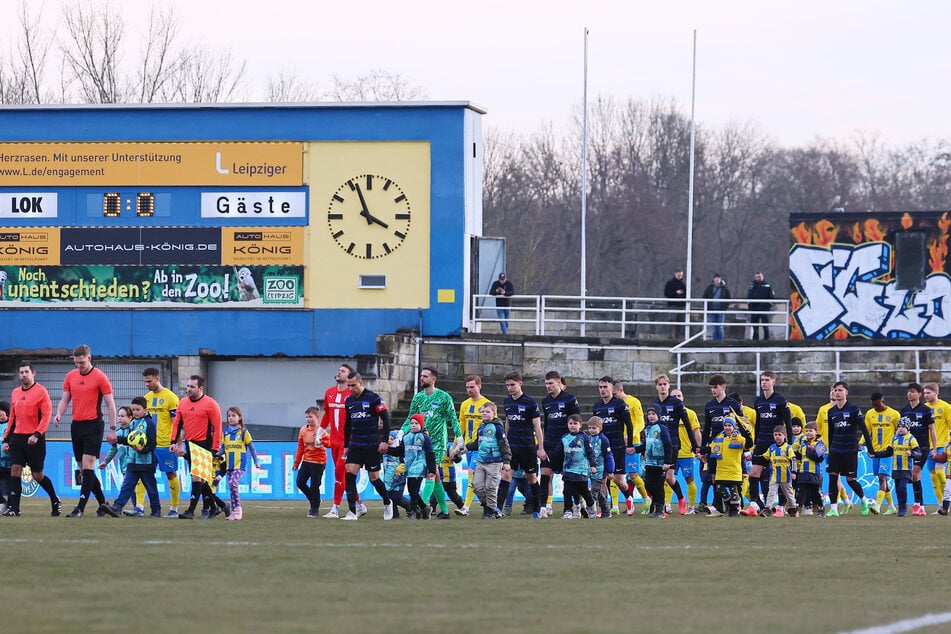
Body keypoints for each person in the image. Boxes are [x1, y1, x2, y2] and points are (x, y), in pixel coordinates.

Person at [55, 345, 116, 519]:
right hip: (77, 426)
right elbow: (65, 399)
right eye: (76, 363)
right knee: (83, 469)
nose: (79, 366)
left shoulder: (100, 377)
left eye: (82, 362)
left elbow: (110, 404)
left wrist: (112, 429)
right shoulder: (70, 376)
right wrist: (59, 414)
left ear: (89, 358)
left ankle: (79, 508)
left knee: (89, 465)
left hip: (94, 425)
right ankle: (104, 502)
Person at [399, 367, 463, 520]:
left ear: (433, 379)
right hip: (420, 443)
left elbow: (453, 419)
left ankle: (418, 508)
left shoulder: (443, 397)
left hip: (438, 443)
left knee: (431, 473)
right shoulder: (418, 398)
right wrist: (402, 432)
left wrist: (459, 437)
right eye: (421, 375)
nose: (421, 378)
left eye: (425, 376)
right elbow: (410, 418)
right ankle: (445, 511)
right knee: (436, 477)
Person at [2, 363, 61, 517]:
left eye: (26, 372)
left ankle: (55, 500)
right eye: (21, 372)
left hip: (35, 439)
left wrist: (37, 434)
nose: (23, 375)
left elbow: (47, 415)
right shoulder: (15, 392)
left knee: (37, 475)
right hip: (18, 439)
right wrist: (6, 439)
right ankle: (14, 508)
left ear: (33, 373)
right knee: (15, 471)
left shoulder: (41, 392)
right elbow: (12, 418)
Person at [342, 372, 394, 521]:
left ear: (361, 383)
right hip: (355, 445)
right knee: (349, 475)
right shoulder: (349, 401)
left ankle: (387, 502)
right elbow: (348, 425)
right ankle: (352, 512)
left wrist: (384, 440)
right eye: (349, 385)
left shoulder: (374, 398)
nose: (351, 388)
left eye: (353, 385)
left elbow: (386, 419)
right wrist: (346, 445)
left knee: (374, 478)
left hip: (372, 444)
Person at [170, 375, 223, 520]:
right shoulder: (183, 403)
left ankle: (190, 511)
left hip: (205, 444)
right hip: (190, 443)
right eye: (187, 386)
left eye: (192, 387)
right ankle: (217, 507)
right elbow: (177, 424)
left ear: (200, 388)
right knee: (202, 481)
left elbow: (217, 428)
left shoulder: (211, 404)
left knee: (196, 477)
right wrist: (173, 442)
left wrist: (214, 448)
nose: (188, 389)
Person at [495, 371, 546, 519]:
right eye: (507, 385)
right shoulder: (507, 401)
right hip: (512, 447)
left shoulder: (530, 402)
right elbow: (508, 422)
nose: (510, 388)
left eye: (512, 385)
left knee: (531, 478)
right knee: (506, 475)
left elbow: (537, 426)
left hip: (527, 447)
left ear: (520, 383)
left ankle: (536, 510)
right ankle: (498, 509)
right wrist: (504, 442)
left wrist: (540, 448)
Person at [100, 401, 162, 519]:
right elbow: (129, 439)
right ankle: (117, 507)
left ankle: (156, 510)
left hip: (146, 463)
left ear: (145, 409)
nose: (135, 412)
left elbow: (153, 443)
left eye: (138, 410)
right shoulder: (133, 423)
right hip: (132, 462)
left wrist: (142, 449)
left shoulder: (149, 423)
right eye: (133, 410)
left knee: (151, 488)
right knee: (127, 486)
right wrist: (117, 439)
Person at [320, 363, 366, 519]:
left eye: (343, 371)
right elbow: (326, 414)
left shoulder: (352, 395)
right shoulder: (329, 393)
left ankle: (335, 508)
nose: (339, 372)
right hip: (334, 442)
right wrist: (320, 432)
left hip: (349, 443)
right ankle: (359, 505)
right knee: (343, 475)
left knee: (340, 472)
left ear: (349, 377)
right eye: (339, 370)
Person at [824, 381, 875, 517]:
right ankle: (833, 509)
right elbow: (830, 433)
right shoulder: (831, 412)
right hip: (835, 450)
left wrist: (870, 449)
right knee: (832, 478)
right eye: (835, 390)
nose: (837, 392)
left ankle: (864, 501)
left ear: (846, 392)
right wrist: (830, 450)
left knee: (850, 480)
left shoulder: (853, 409)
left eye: (840, 390)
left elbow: (864, 429)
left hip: (850, 450)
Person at [746, 371, 792, 515]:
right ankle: (754, 505)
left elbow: (788, 424)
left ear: (773, 382)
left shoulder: (781, 401)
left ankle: (780, 508)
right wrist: (755, 442)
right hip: (761, 442)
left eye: (767, 380)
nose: (764, 382)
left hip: (777, 444)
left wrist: (788, 444)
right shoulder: (758, 401)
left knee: (780, 476)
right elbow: (758, 423)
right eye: (762, 380)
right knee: (754, 473)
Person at [137, 367, 181, 518]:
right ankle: (139, 507)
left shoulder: (171, 397)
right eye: (145, 382)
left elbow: (176, 423)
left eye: (149, 381)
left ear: (157, 378)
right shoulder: (146, 398)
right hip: (149, 444)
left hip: (165, 444)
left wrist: (178, 444)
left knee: (171, 474)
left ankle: (174, 509)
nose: (147, 384)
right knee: (142, 473)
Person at [650, 375, 696, 514]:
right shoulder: (654, 405)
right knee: (659, 479)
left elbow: (687, 425)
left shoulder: (676, 403)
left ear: (669, 386)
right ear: (656, 386)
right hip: (658, 446)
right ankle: (661, 506)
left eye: (665, 384)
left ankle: (681, 499)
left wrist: (694, 445)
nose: (662, 386)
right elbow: (650, 426)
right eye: (660, 384)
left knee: (668, 477)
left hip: (673, 445)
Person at [539, 370, 581, 518]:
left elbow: (577, 421)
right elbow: (546, 423)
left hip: (567, 446)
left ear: (559, 383)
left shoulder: (570, 399)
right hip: (550, 444)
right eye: (546, 384)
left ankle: (574, 506)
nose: (548, 386)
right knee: (545, 474)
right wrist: (542, 446)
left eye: (551, 383)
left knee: (569, 479)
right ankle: (544, 507)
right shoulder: (546, 401)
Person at [593, 376, 637, 515]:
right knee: (602, 478)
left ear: (612, 388)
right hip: (602, 448)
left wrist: (629, 444)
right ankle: (604, 508)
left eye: (605, 387)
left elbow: (629, 425)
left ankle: (628, 497)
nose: (602, 390)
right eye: (600, 387)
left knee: (617, 479)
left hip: (617, 446)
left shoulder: (620, 404)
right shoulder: (597, 407)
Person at [701, 375, 743, 511]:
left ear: (723, 387)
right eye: (711, 387)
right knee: (715, 477)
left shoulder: (733, 405)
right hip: (716, 447)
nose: (713, 390)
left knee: (734, 480)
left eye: (715, 387)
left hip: (731, 448)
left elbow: (742, 425)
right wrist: (703, 449)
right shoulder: (709, 406)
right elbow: (707, 429)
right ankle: (718, 507)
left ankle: (737, 506)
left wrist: (745, 445)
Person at [465, 402, 511, 519]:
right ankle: (490, 508)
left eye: (488, 411)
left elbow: (504, 445)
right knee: (476, 486)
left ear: (494, 413)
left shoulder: (498, 427)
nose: (484, 413)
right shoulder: (481, 427)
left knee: (490, 487)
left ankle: (489, 512)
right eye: (483, 412)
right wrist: (464, 448)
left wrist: (506, 461)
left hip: (494, 462)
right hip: (481, 461)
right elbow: (477, 443)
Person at [546, 414, 597, 519]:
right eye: (570, 423)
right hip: (568, 470)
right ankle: (568, 511)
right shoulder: (565, 438)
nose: (572, 426)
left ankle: (591, 505)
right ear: (567, 425)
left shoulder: (584, 438)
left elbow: (590, 452)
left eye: (575, 423)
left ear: (580, 425)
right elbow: (558, 452)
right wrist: (547, 456)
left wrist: (592, 465)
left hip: (581, 470)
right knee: (567, 491)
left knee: (584, 491)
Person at [612, 380, 649, 515]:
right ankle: (615, 505)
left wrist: (631, 435)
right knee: (613, 474)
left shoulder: (634, 402)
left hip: (632, 443)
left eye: (615, 394)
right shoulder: (613, 404)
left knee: (633, 475)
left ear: (621, 390)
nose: (613, 396)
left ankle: (646, 499)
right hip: (617, 443)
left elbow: (640, 423)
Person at [899, 382, 936, 516]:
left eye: (913, 391)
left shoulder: (925, 410)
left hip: (922, 447)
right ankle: (920, 506)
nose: (910, 393)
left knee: (915, 472)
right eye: (908, 391)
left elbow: (932, 430)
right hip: (907, 448)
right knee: (913, 476)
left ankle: (916, 505)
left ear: (919, 394)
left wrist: (934, 448)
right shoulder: (904, 410)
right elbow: (901, 430)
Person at [390, 414, 436, 520]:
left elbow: (430, 454)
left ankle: (413, 512)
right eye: (412, 423)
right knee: (412, 491)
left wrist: (432, 469)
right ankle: (425, 508)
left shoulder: (425, 438)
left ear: (421, 424)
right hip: (409, 468)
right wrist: (387, 449)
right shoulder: (406, 437)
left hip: (419, 467)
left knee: (413, 489)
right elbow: (399, 451)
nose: (413, 425)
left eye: (416, 423)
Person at [704, 416, 752, 517]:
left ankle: (734, 510)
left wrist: (746, 433)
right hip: (721, 470)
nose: (727, 427)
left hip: (734, 469)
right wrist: (700, 449)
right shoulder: (718, 438)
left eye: (729, 425)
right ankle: (731, 505)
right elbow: (711, 449)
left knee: (734, 489)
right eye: (725, 425)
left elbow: (749, 444)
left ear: (734, 427)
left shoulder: (739, 438)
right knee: (719, 487)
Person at [458, 375, 491, 516]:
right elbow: (461, 426)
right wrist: (456, 445)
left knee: (471, 474)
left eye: (472, 387)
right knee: (478, 481)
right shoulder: (465, 404)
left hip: (481, 447)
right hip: (468, 447)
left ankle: (466, 507)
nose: (469, 390)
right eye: (467, 387)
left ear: (479, 386)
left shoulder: (487, 404)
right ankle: (489, 505)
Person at [219, 406, 260, 521]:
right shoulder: (225, 432)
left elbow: (251, 448)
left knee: (233, 483)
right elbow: (223, 448)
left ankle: (237, 509)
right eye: (229, 416)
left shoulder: (243, 432)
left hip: (239, 464)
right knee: (232, 487)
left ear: (240, 417)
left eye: (233, 416)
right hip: (229, 465)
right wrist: (216, 455)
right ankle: (234, 511)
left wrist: (256, 461)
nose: (231, 418)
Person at [865, 392, 900, 514]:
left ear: (882, 400)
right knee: (882, 479)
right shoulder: (870, 414)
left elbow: (899, 432)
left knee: (882, 477)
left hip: (888, 451)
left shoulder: (894, 414)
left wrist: (894, 446)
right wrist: (860, 443)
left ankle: (877, 505)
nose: (876, 408)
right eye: (874, 405)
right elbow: (867, 431)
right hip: (875, 451)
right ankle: (891, 506)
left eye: (878, 405)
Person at [879, 417, 921, 517]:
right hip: (896, 469)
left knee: (902, 488)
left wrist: (911, 453)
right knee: (898, 490)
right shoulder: (894, 438)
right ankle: (900, 507)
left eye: (903, 426)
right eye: (899, 426)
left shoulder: (911, 438)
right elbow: (888, 452)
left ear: (908, 428)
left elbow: (918, 453)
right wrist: (876, 454)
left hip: (906, 469)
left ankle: (903, 508)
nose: (901, 428)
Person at [294, 406, 331, 518]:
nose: (308, 419)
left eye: (310, 417)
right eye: (306, 417)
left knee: (315, 485)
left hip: (319, 462)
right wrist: (297, 462)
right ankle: (315, 500)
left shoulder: (321, 431)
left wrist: (322, 441)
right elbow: (300, 447)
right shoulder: (303, 430)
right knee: (300, 482)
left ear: (317, 417)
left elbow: (330, 444)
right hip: (307, 461)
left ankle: (314, 509)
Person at [754, 426, 799, 517]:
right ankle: (768, 509)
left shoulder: (788, 448)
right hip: (774, 476)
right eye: (775, 435)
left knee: (789, 494)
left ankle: (793, 508)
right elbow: (764, 457)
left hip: (785, 476)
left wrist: (794, 472)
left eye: (779, 435)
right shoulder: (771, 448)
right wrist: (754, 457)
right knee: (771, 492)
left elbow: (793, 460)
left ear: (785, 436)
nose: (777, 437)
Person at [669, 388, 701, 515]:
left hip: (686, 453)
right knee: (668, 478)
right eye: (674, 396)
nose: (676, 398)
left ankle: (692, 507)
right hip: (670, 452)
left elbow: (696, 432)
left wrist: (697, 449)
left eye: (679, 395)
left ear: (683, 398)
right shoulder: (667, 413)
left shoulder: (690, 413)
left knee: (690, 479)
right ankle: (667, 505)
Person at [922, 383, 950, 513]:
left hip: (942, 445)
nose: (925, 395)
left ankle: (947, 502)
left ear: (936, 393)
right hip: (928, 446)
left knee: (940, 472)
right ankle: (941, 505)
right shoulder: (924, 408)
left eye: (928, 393)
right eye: (924, 393)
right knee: (933, 476)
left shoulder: (945, 407)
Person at [641, 406, 673, 518]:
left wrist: (667, 462)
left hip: (660, 464)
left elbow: (668, 445)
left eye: (653, 414)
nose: (651, 416)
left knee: (659, 486)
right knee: (648, 486)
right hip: (649, 463)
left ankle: (660, 509)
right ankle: (658, 504)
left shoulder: (662, 428)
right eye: (649, 414)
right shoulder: (647, 429)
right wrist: (635, 449)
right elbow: (646, 445)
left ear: (658, 415)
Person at [792, 422, 826, 516]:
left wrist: (809, 451)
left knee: (816, 492)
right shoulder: (803, 443)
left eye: (810, 431)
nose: (808, 433)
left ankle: (821, 509)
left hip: (815, 472)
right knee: (801, 492)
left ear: (816, 432)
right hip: (803, 471)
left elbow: (819, 458)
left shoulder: (820, 443)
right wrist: (792, 453)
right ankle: (797, 509)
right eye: (806, 431)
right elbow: (800, 455)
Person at [585, 416, 615, 518]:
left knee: (594, 491)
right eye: (589, 428)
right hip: (589, 469)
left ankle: (589, 510)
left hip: (600, 470)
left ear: (600, 428)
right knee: (599, 493)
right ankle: (606, 511)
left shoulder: (603, 440)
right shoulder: (587, 438)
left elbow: (608, 456)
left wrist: (610, 470)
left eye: (594, 428)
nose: (591, 430)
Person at [701, 273, 731, 340]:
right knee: (714, 327)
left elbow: (728, 299)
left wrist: (724, 308)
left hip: (721, 311)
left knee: (720, 327)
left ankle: (720, 341)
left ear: (720, 279)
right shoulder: (709, 288)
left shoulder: (725, 289)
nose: (717, 280)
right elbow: (704, 298)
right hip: (712, 310)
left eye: (718, 279)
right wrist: (708, 307)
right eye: (716, 279)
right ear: (713, 279)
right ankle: (715, 341)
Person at [746, 271, 775, 340]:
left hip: (764, 308)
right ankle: (755, 339)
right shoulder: (752, 286)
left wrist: (768, 305)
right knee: (755, 325)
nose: (758, 278)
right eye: (756, 277)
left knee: (765, 325)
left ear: (762, 277)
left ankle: (766, 339)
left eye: (759, 277)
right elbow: (749, 296)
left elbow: (772, 297)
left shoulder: (767, 285)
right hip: (754, 308)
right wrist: (750, 305)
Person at [663, 268, 686, 336]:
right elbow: (666, 293)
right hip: (673, 305)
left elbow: (685, 294)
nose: (679, 276)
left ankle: (677, 336)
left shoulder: (683, 284)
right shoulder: (670, 283)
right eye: (678, 275)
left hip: (681, 306)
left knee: (680, 322)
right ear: (675, 274)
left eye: (680, 275)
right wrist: (675, 293)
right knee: (672, 320)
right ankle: (670, 336)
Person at [0, 401, 11, 514]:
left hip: (10, 463)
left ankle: (12, 507)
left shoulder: (11, 426)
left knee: (11, 488)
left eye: (1, 410)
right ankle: (3, 503)